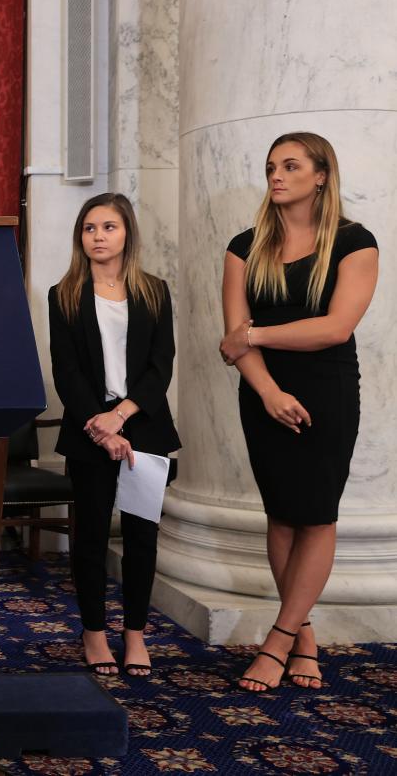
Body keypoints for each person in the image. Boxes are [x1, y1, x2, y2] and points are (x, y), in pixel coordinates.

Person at [220, 132, 378, 692]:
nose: (276, 175)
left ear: (321, 175)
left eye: (290, 165)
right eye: (270, 167)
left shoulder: (354, 242)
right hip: (264, 391)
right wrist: (266, 391)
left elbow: (334, 328)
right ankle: (304, 633)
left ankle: (280, 638)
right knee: (282, 512)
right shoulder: (244, 245)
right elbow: (231, 341)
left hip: (327, 389)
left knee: (316, 513)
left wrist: (256, 334)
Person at [48, 193, 180, 678]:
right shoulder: (62, 294)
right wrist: (100, 429)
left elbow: (160, 366)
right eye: (89, 228)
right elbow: (67, 373)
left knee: (143, 537)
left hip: (143, 426)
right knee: (91, 537)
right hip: (89, 429)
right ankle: (95, 633)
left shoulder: (155, 291)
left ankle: (135, 634)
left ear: (127, 234)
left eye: (108, 227)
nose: (98, 237)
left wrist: (121, 417)